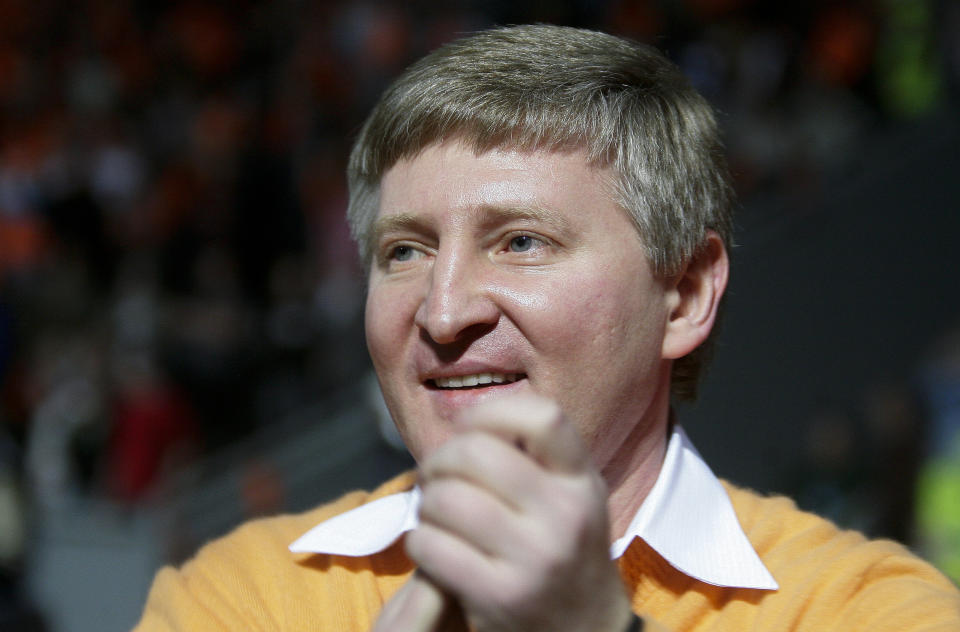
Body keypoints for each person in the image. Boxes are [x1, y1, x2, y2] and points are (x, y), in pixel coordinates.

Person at [134, 25, 960, 631]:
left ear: (684, 295)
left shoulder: (864, 609)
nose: (445, 310)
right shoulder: (243, 596)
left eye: (521, 242)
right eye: (405, 251)